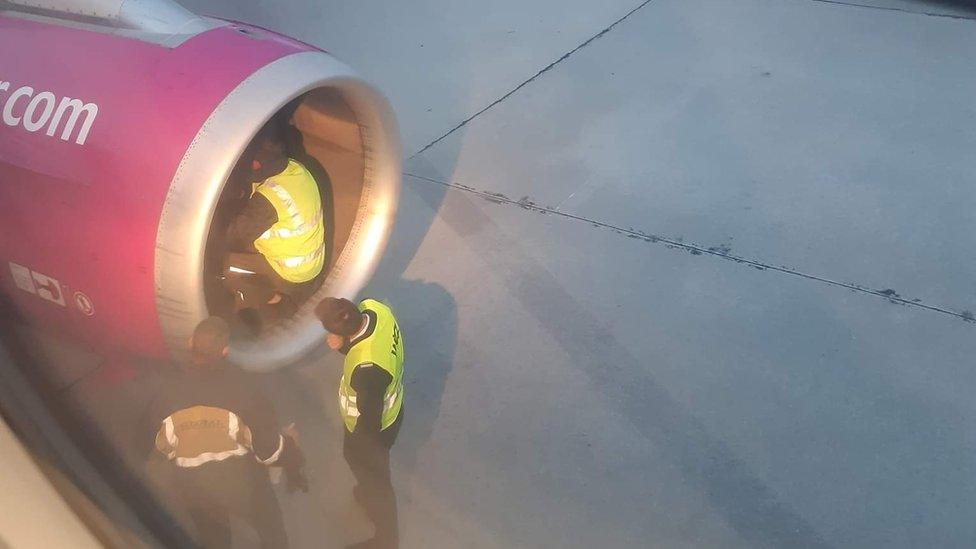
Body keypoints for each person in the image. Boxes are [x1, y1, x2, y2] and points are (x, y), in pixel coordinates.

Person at [145, 317, 307, 548]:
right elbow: (268, 453)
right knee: (271, 530)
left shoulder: (167, 390)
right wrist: (291, 449)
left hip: (195, 490)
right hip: (243, 487)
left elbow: (160, 444)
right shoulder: (245, 390)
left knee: (214, 539)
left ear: (191, 342)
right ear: (225, 350)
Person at [315, 297, 404, 549]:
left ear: (335, 332)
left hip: (375, 429)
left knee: (379, 484)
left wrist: (368, 456)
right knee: (353, 459)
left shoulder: (367, 369)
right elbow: (369, 340)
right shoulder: (375, 308)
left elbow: (370, 421)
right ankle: (367, 491)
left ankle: (387, 540)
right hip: (390, 407)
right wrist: (345, 345)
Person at [224, 123, 327, 321]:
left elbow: (232, 236)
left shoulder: (271, 198)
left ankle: (278, 300)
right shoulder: (294, 169)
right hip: (313, 261)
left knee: (228, 265)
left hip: (292, 274)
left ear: (257, 162)